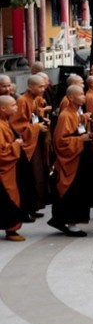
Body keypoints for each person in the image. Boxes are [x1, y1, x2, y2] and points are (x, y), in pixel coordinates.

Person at [48, 85, 93, 236]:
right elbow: (60, 142)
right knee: (72, 192)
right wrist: (81, 139)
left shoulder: (75, 113)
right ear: (71, 98)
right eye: (80, 94)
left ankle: (62, 221)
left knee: (78, 192)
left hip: (78, 158)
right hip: (70, 161)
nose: (84, 97)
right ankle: (70, 223)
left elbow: (77, 128)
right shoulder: (65, 115)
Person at [11, 74, 48, 221]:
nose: (42, 89)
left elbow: (31, 118)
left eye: (43, 86)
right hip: (25, 146)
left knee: (36, 176)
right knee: (25, 179)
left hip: (34, 143)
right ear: (30, 87)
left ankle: (33, 207)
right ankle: (24, 211)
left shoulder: (35, 100)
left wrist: (40, 120)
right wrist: (36, 126)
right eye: (40, 86)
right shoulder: (22, 100)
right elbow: (16, 125)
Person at [0, 95, 26, 241]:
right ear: (3, 108)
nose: (17, 107)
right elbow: (2, 153)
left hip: (11, 168)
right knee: (9, 197)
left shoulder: (5, 122)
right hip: (4, 170)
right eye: (13, 105)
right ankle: (11, 229)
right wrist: (16, 144)